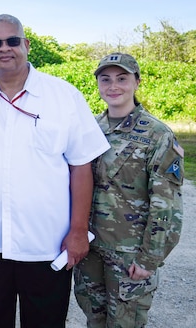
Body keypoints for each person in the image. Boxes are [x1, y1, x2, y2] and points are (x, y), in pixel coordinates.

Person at [0, 14, 110, 327]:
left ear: (26, 45)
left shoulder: (64, 97)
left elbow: (81, 167)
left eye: (12, 41)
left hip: (47, 245)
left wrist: (79, 231)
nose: (5, 48)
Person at [74, 53, 184, 327]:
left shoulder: (157, 135)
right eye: (106, 79)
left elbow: (166, 204)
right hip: (90, 250)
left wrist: (149, 259)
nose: (114, 86)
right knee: (94, 321)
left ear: (137, 82)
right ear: (98, 84)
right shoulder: (90, 129)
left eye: (122, 79)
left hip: (129, 254)